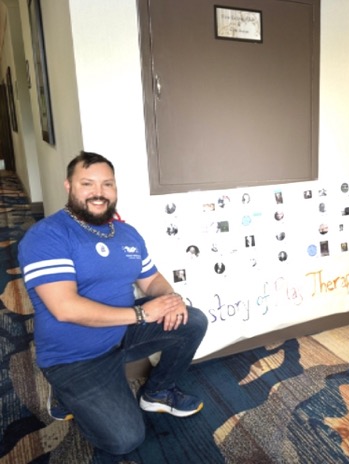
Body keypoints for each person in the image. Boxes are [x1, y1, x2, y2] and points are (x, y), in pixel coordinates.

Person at [18, 151, 208, 459]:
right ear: (69, 186)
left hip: (121, 334)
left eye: (107, 184)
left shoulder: (126, 233)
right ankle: (65, 392)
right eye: (87, 183)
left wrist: (171, 300)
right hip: (75, 358)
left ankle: (158, 392)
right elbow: (65, 308)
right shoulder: (47, 236)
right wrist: (141, 313)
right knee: (125, 440)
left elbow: (152, 280)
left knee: (192, 320)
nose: (99, 192)